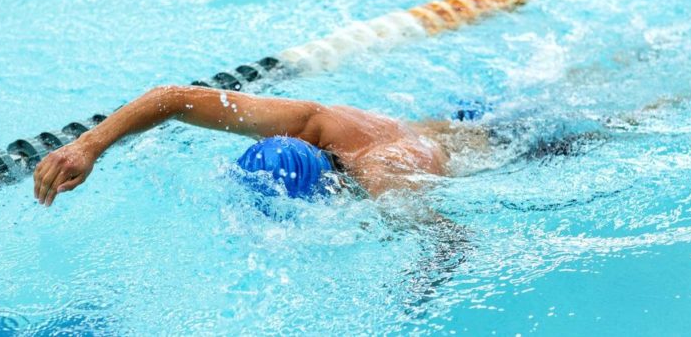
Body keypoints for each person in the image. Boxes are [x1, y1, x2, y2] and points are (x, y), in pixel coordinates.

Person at [33, 86, 491, 207]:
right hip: (422, 123)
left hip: (474, 146)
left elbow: (445, 238)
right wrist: (88, 145)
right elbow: (174, 99)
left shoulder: (382, 172)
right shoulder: (307, 121)